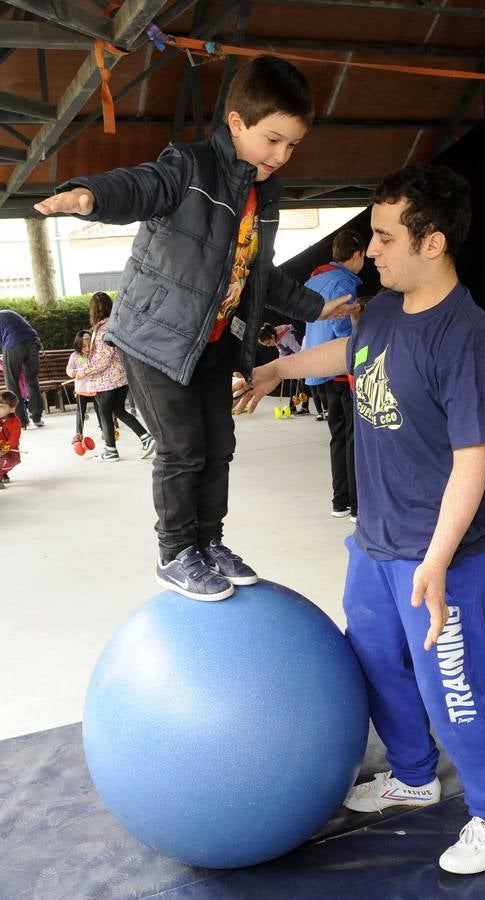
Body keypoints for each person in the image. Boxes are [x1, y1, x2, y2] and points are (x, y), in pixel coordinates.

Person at [233, 164, 485, 875]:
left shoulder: (472, 341)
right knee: (378, 665)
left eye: (386, 238)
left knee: (454, 690)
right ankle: (414, 776)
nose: (373, 251)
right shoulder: (386, 310)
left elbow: (472, 464)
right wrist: (279, 371)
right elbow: (352, 356)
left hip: (442, 554)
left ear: (435, 243)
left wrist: (436, 562)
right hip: (378, 542)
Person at [34, 56, 355, 601]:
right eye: (273, 140)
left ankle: (208, 543)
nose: (281, 156)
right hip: (154, 339)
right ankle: (175, 553)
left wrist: (314, 308)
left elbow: (258, 277)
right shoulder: (190, 167)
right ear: (236, 124)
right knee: (183, 446)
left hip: (210, 341)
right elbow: (141, 185)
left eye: (292, 146)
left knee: (219, 444)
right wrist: (92, 196)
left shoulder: (264, 195)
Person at [303, 228, 365, 520]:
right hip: (342, 369)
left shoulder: (314, 279)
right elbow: (344, 331)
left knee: (338, 437)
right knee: (355, 439)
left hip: (319, 370)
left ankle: (339, 502)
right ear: (356, 255)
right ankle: (357, 507)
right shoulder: (344, 282)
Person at [77, 292, 156, 461]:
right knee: (119, 410)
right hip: (122, 377)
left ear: (93, 311)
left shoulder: (101, 330)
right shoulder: (116, 325)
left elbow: (102, 360)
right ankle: (146, 438)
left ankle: (110, 450)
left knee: (105, 414)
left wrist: (82, 370)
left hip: (107, 381)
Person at [0, 309, 44, 428]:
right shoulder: (8, 313)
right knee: (32, 380)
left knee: (12, 383)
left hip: (13, 344)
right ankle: (37, 417)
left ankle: (21, 421)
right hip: (32, 341)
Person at [258, 322, 309, 414]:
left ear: (272, 336)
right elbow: (282, 352)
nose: (268, 346)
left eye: (268, 343)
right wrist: (280, 366)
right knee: (292, 380)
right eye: (266, 345)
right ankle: (292, 406)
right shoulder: (277, 338)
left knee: (302, 381)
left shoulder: (287, 337)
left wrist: (297, 367)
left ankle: (305, 407)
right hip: (292, 357)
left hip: (302, 354)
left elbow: (298, 350)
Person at [66, 329, 102, 443]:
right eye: (83, 346)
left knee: (100, 410)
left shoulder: (97, 355)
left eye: (89, 345)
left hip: (96, 388)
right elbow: (69, 369)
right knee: (80, 412)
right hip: (81, 389)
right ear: (78, 345)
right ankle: (79, 433)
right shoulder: (75, 356)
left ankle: (104, 430)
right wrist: (74, 373)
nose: (87, 348)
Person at [0, 389, 21, 488]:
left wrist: (5, 448)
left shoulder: (15, 422)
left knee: (14, 461)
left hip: (9, 448)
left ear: (12, 409)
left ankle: (2, 472)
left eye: (1, 407)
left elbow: (14, 439)